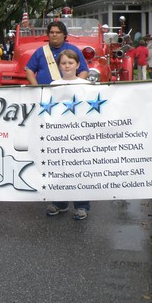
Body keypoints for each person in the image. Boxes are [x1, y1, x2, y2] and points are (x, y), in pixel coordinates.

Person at [46, 49, 90, 221]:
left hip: (80, 134)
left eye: (70, 63)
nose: (67, 66)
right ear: (59, 65)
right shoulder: (53, 85)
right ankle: (60, 202)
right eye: (63, 63)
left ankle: (82, 206)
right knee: (60, 168)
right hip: (60, 135)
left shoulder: (86, 86)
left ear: (78, 65)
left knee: (80, 170)